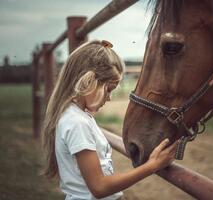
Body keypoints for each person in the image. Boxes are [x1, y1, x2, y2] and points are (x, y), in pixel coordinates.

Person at [42, 40, 178, 200]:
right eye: (109, 89)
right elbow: (99, 187)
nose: (109, 98)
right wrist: (152, 166)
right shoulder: (77, 123)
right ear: (89, 80)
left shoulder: (74, 115)